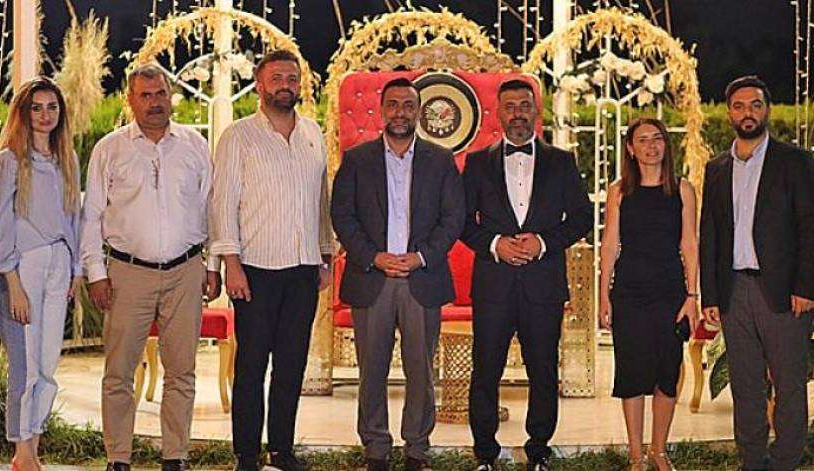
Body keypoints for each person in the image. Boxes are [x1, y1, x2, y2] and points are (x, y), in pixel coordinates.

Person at [80, 64, 221, 471]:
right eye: (145, 95)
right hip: (128, 273)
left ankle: (175, 456)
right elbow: (91, 216)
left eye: (160, 94)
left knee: (182, 371)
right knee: (119, 372)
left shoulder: (194, 145)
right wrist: (96, 273)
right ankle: (118, 458)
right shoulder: (110, 149)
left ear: (170, 96)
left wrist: (212, 265)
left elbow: (211, 209)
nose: (155, 102)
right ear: (130, 100)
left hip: (186, 271)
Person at [330, 77, 464, 471]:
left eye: (408, 105)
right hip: (372, 277)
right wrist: (374, 257)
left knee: (420, 370)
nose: (400, 112)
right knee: (371, 370)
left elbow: (453, 217)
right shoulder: (357, 159)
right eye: (393, 104)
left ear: (419, 111)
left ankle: (417, 448)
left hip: (421, 278)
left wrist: (421, 257)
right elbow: (343, 215)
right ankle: (375, 447)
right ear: (382, 109)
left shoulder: (440, 160)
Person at [460, 78, 593, 471]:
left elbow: (582, 218)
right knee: (485, 372)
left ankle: (539, 451)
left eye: (524, 105)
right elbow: (461, 222)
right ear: (498, 113)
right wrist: (495, 243)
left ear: (536, 110)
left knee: (543, 371)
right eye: (510, 106)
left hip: (543, 287)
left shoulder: (562, 162)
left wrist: (544, 243)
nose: (517, 113)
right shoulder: (477, 163)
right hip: (493, 286)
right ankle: (485, 454)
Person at [209, 49, 333, 471]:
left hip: (303, 269)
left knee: (291, 366)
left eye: (292, 79)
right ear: (259, 85)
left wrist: (325, 255)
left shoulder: (313, 133)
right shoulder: (238, 136)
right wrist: (231, 264)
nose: (285, 85)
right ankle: (246, 454)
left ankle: (282, 450)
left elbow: (320, 200)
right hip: (255, 270)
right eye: (276, 78)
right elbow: (222, 203)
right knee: (251, 365)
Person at [700, 75, 814, 471]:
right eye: (739, 106)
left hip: (784, 293)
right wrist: (710, 295)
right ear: (729, 113)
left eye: (755, 105)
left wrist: (806, 287)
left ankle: (785, 462)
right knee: (746, 385)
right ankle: (752, 461)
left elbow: (809, 227)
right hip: (734, 292)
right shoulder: (716, 168)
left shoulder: (796, 162)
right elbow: (709, 236)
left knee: (789, 385)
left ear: (766, 110)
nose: (747, 112)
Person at [0, 76, 82, 471]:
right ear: (24, 113)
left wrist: (75, 270)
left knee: (48, 363)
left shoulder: (67, 159)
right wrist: (12, 283)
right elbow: (0, 224)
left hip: (59, 264)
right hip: (24, 266)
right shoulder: (9, 160)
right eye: (37, 107)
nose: (45, 115)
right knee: (24, 366)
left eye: (52, 107)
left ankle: (34, 447)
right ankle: (21, 451)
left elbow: (73, 218)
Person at [598, 118, 698, 471]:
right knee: (631, 373)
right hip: (629, 292)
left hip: (670, 292)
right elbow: (609, 244)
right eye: (642, 140)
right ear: (630, 148)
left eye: (657, 139)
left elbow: (690, 243)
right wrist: (603, 295)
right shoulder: (619, 191)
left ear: (665, 145)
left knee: (666, 372)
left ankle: (659, 451)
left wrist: (692, 295)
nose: (651, 146)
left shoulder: (683, 189)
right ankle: (636, 455)